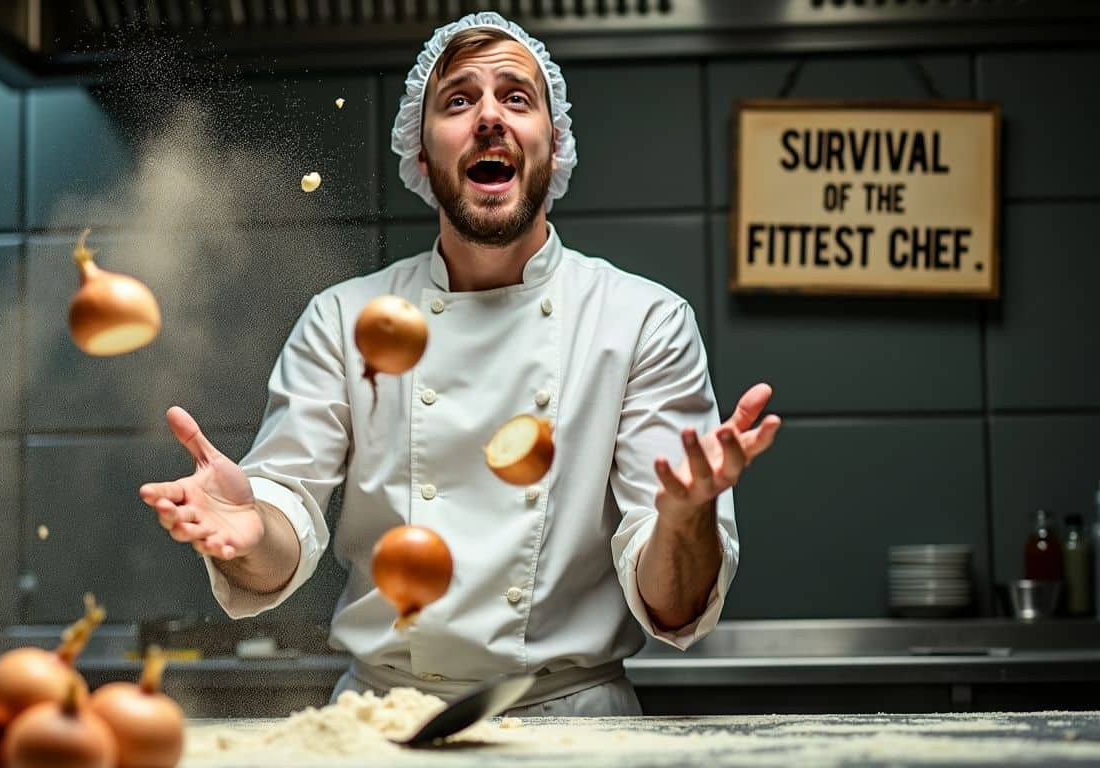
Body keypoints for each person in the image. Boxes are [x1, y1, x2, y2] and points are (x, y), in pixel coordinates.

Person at [139, 11, 781, 716]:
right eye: (458, 100)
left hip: (575, 732)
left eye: (515, 97)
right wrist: (252, 532)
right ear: (421, 154)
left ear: (554, 142)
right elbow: (281, 527)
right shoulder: (344, 319)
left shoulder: (642, 323)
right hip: (383, 726)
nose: (488, 118)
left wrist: (686, 518)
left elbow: (672, 598)